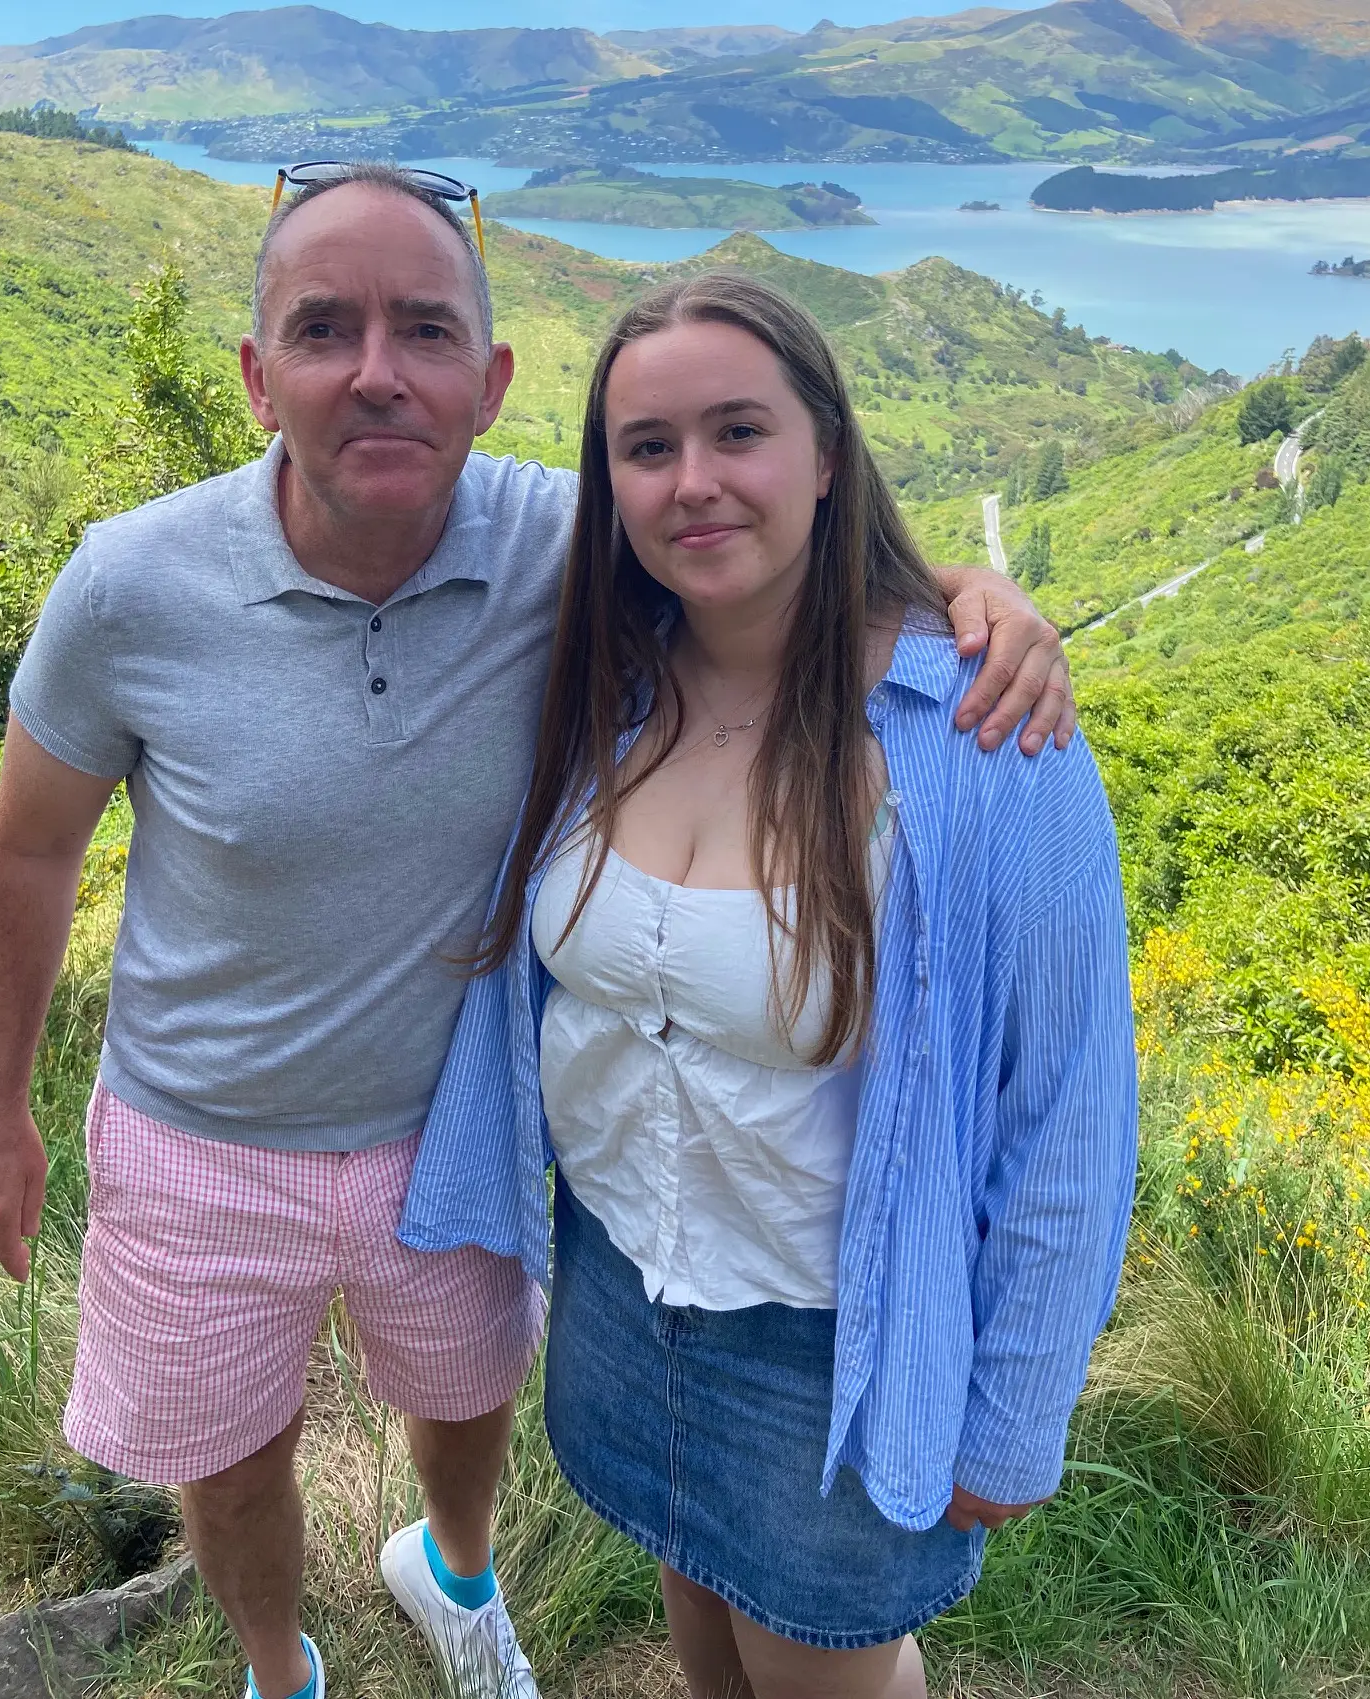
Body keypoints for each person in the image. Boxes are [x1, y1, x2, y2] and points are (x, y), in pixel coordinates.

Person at [0, 163, 1077, 1699]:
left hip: (446, 1128)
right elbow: (25, 848)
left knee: (463, 1392)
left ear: (490, 384)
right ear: (256, 372)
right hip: (214, 1134)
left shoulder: (571, 549)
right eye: (324, 328)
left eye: (422, 330)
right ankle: (282, 1667)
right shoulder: (134, 586)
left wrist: (968, 596)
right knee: (225, 1449)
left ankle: (458, 1577)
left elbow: (769, 546)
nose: (374, 371)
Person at [402, 270, 1138, 1699]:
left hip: (830, 1350)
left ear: (826, 455)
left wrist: (1011, 1415)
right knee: (703, 1618)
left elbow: (1069, 1109)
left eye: (739, 431)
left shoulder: (977, 737)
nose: (694, 483)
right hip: (622, 1292)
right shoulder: (601, 686)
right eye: (648, 446)